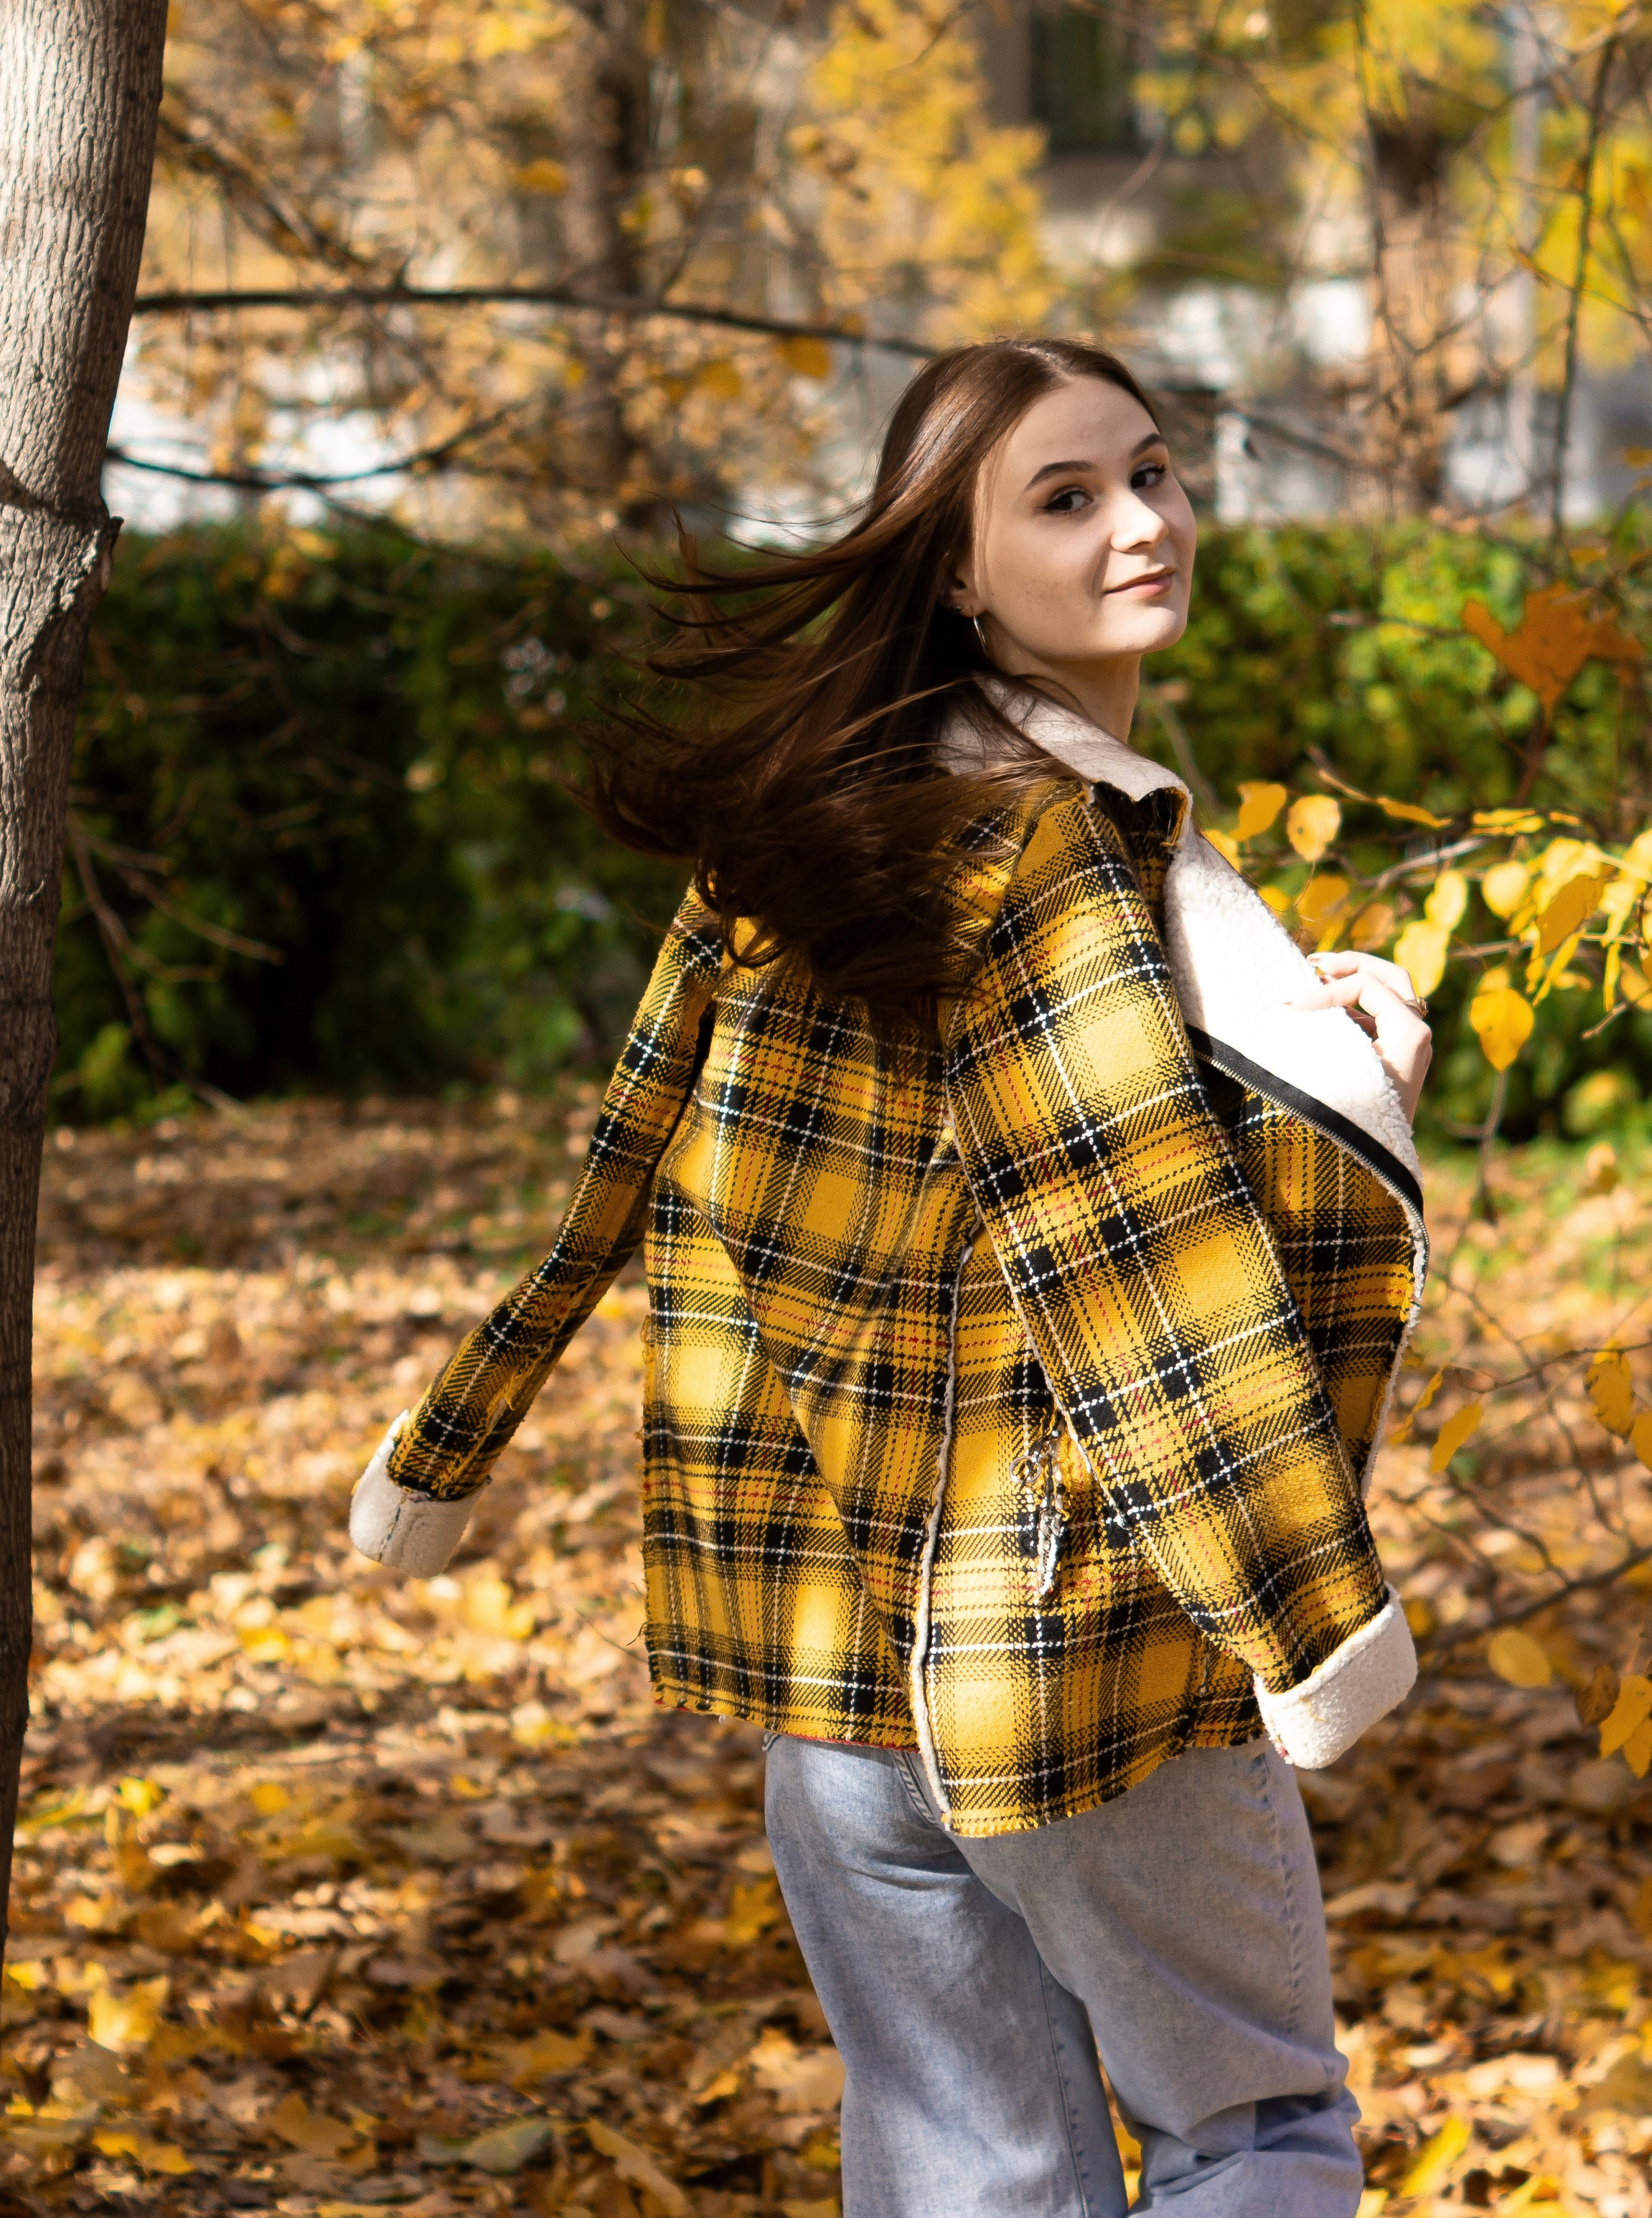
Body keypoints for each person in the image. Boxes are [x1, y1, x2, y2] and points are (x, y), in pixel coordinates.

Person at [348, 337, 1432, 2215]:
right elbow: (1137, 1272)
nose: (1146, 524)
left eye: (1157, 472)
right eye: (1069, 497)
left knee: (970, 2173)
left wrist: (439, 1458)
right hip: (1071, 1659)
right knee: (1253, 2132)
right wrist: (1314, 1631)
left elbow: (628, 1180)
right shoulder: (1052, 861)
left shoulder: (799, 832)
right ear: (951, 569)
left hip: (834, 1681)